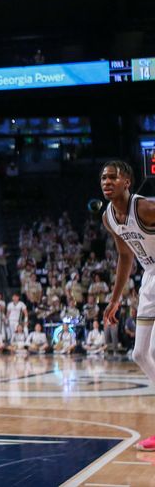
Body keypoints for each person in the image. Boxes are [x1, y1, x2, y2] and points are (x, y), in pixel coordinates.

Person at [101, 161, 155, 451]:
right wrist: (115, 298)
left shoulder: (145, 208)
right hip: (150, 279)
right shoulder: (109, 218)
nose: (106, 181)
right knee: (140, 354)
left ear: (127, 182)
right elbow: (125, 256)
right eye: (103, 178)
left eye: (112, 177)